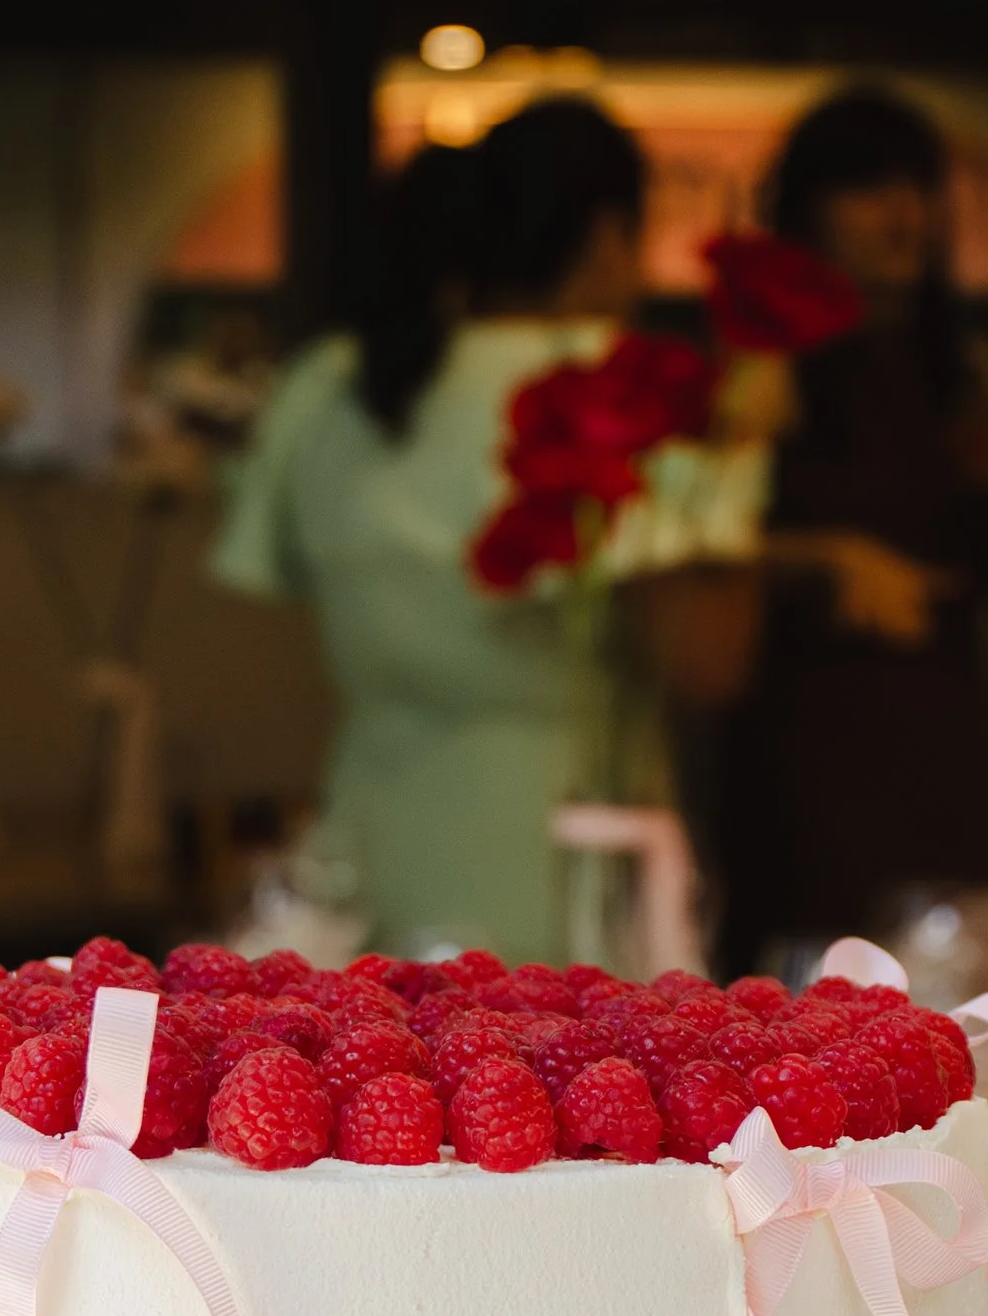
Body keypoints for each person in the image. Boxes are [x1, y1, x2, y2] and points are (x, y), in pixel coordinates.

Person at [210, 98, 758, 962]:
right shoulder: (622, 386)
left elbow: (271, 577)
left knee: (368, 1076)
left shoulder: (334, 382)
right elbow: (706, 662)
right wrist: (749, 467)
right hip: (559, 847)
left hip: (370, 824)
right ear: (610, 234)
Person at [712, 85, 988, 1001]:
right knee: (810, 1040)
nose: (904, 214)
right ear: (810, 210)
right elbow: (706, 554)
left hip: (947, 736)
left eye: (918, 188)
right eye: (868, 189)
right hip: (810, 751)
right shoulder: (759, 364)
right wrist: (824, 558)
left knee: (967, 1027)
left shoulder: (963, 370)